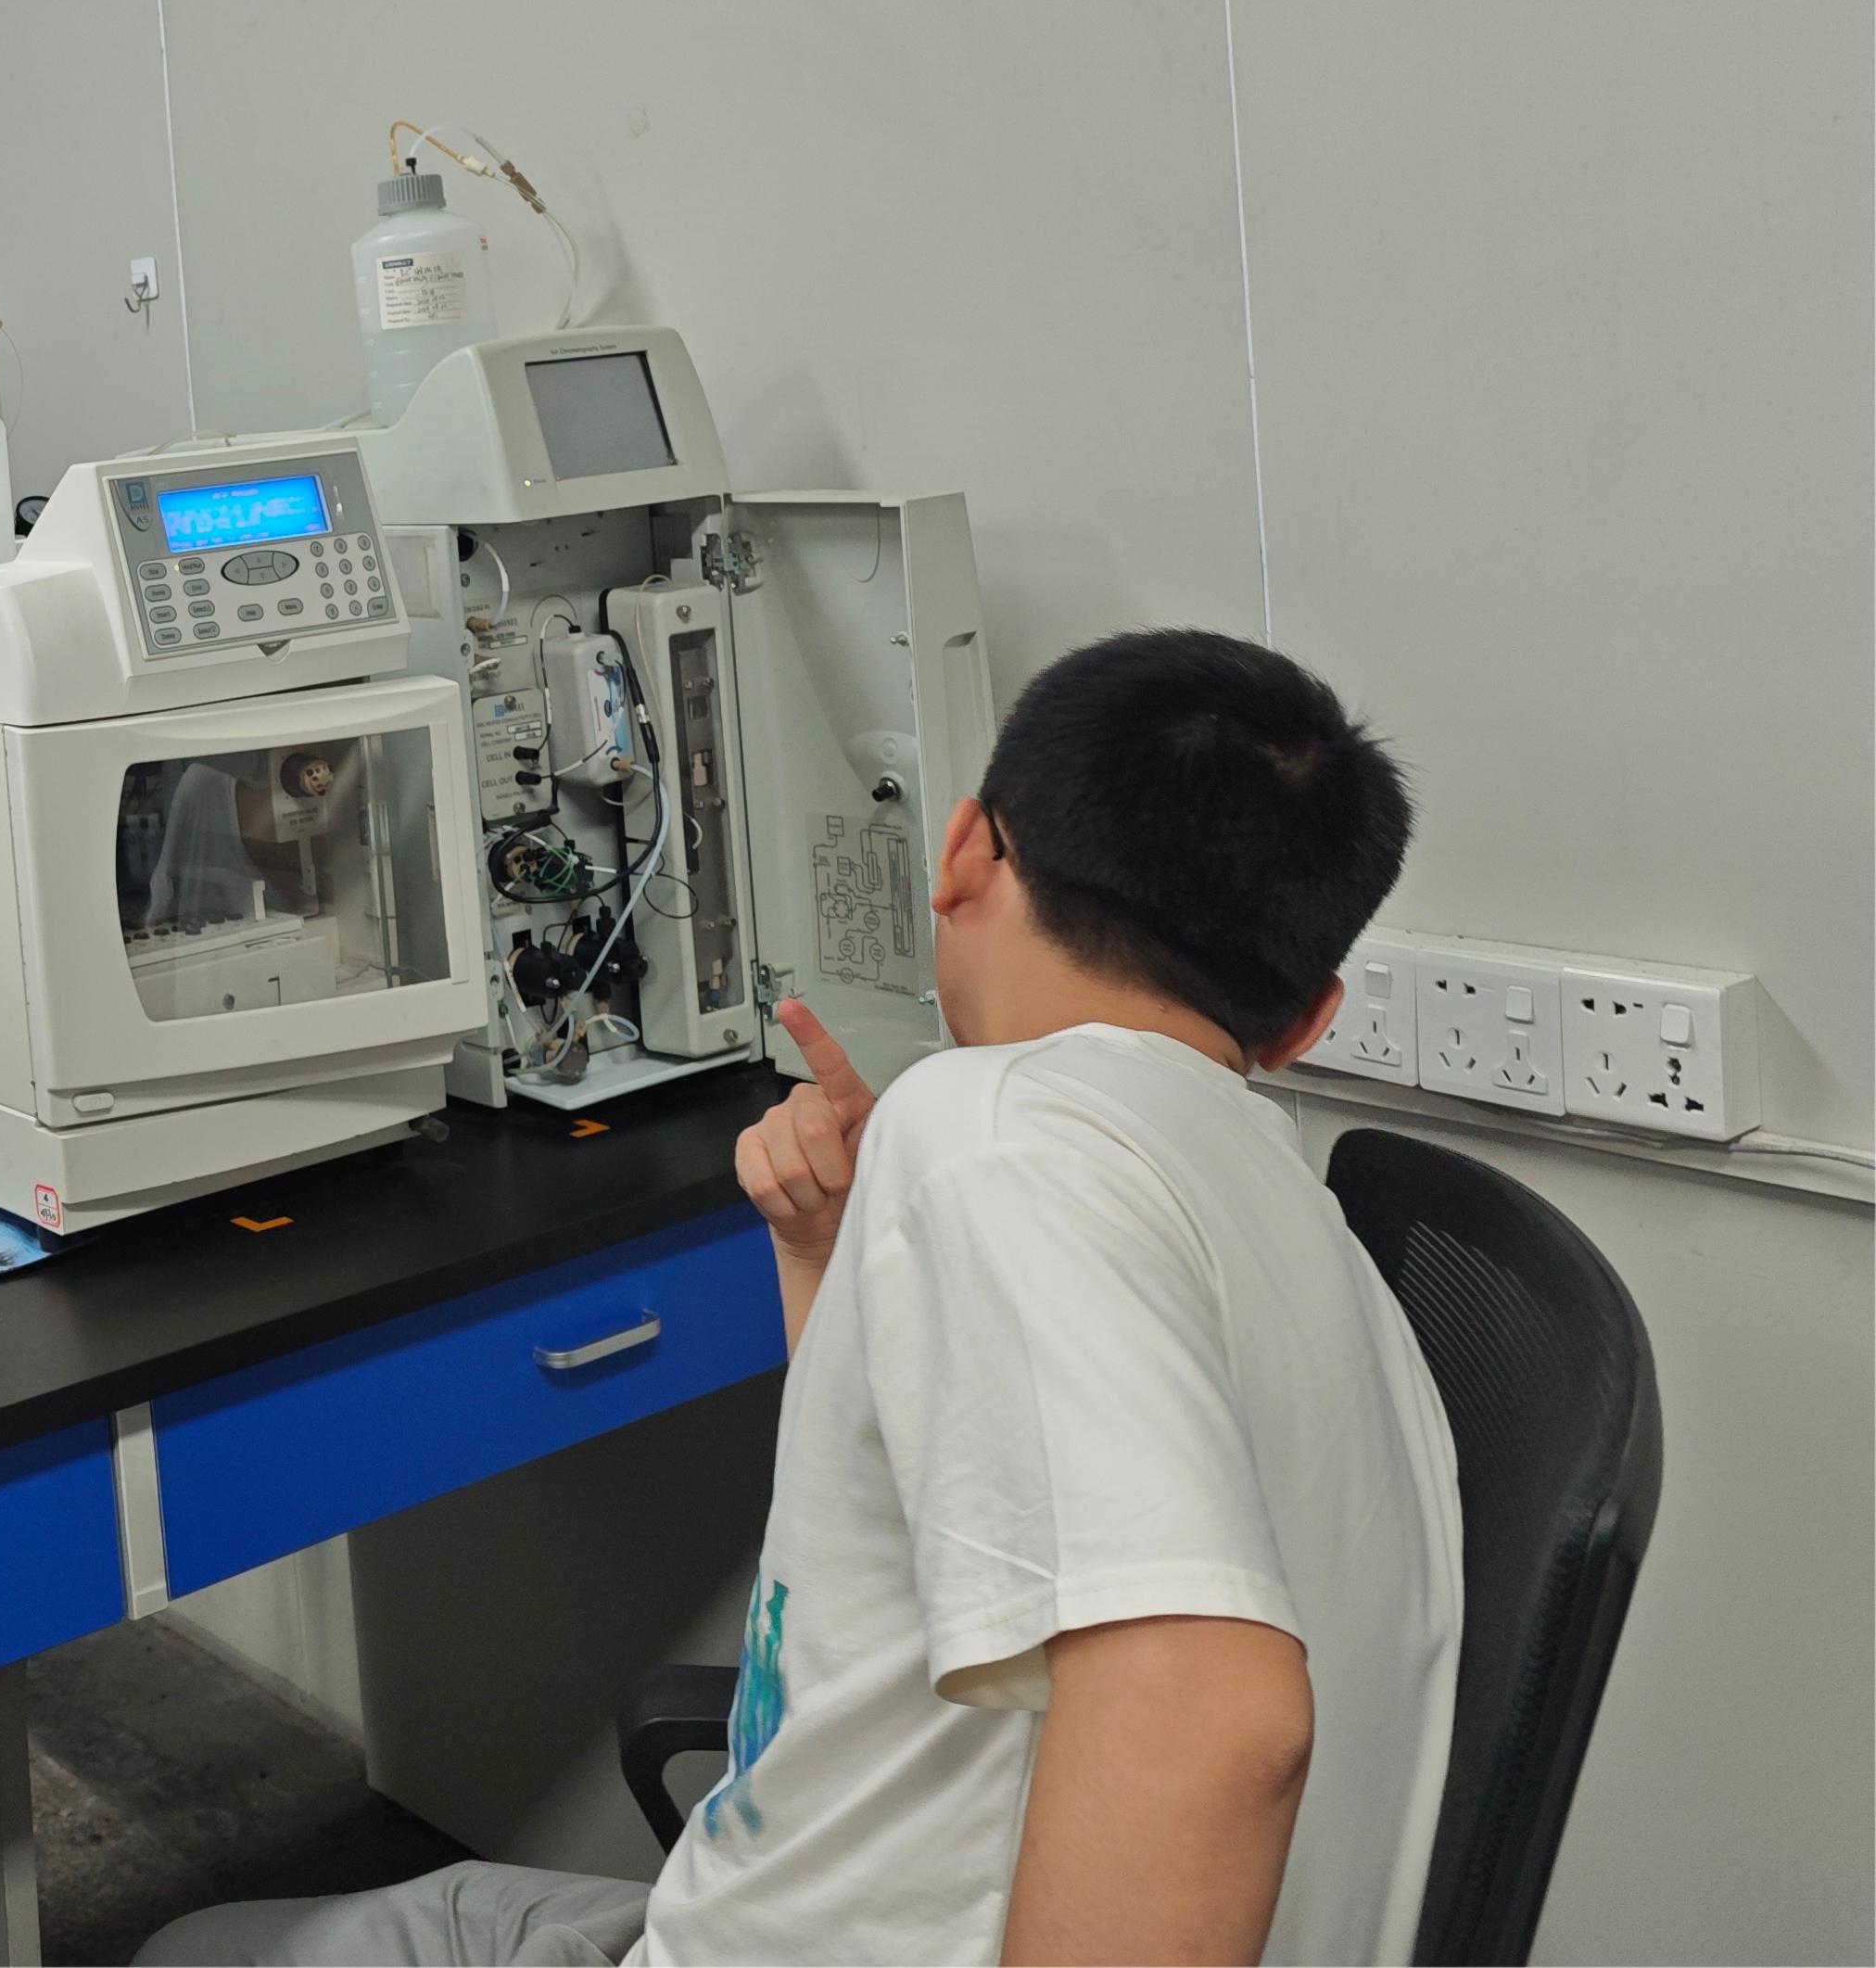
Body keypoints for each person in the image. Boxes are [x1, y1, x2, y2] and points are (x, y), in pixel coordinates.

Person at [143, 629, 1462, 1968]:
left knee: (196, 1951)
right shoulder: (1296, 1218)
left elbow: (1213, 1721)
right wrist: (837, 1261)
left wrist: (944, 1181)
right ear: (1307, 1019)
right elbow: (973, 1541)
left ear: (962, 853)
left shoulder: (989, 1133)